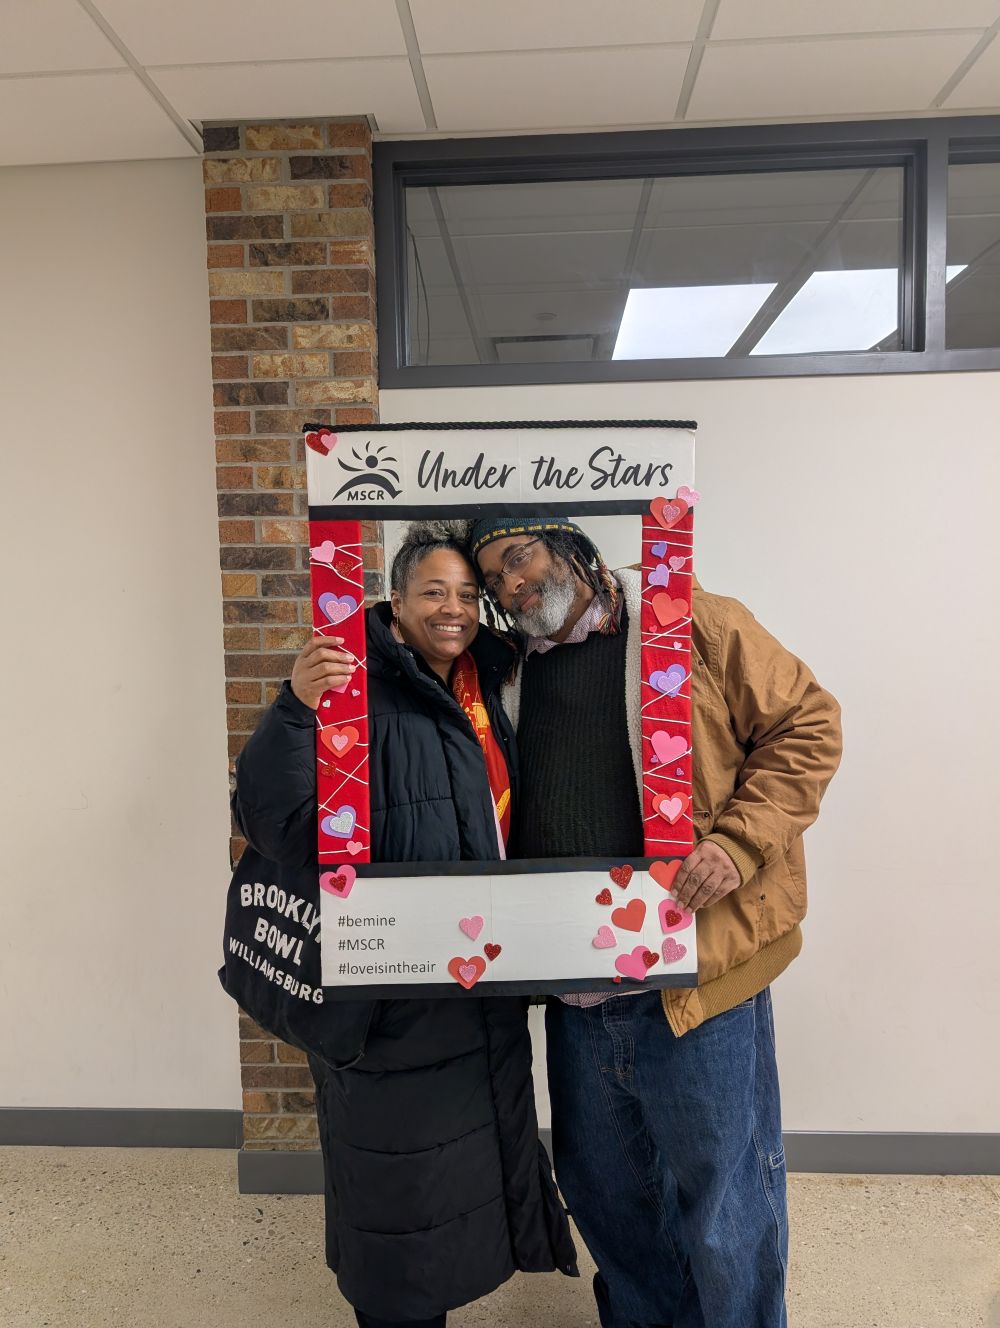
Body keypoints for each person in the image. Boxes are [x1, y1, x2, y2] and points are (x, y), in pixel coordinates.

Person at [469, 515, 842, 1328]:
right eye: (493, 578)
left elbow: (809, 725)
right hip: (577, 992)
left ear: (568, 545)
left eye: (519, 557)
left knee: (724, 1205)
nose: (512, 585)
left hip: (694, 977)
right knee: (611, 1201)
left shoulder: (690, 623)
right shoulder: (502, 672)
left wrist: (738, 843)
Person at [232, 520, 577, 1328]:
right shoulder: (347, 683)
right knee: (399, 1205)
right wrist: (295, 707)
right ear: (395, 599)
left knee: (459, 1188)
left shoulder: (489, 682)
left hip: (475, 984)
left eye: (467, 594)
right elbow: (273, 823)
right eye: (433, 592)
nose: (453, 608)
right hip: (386, 993)